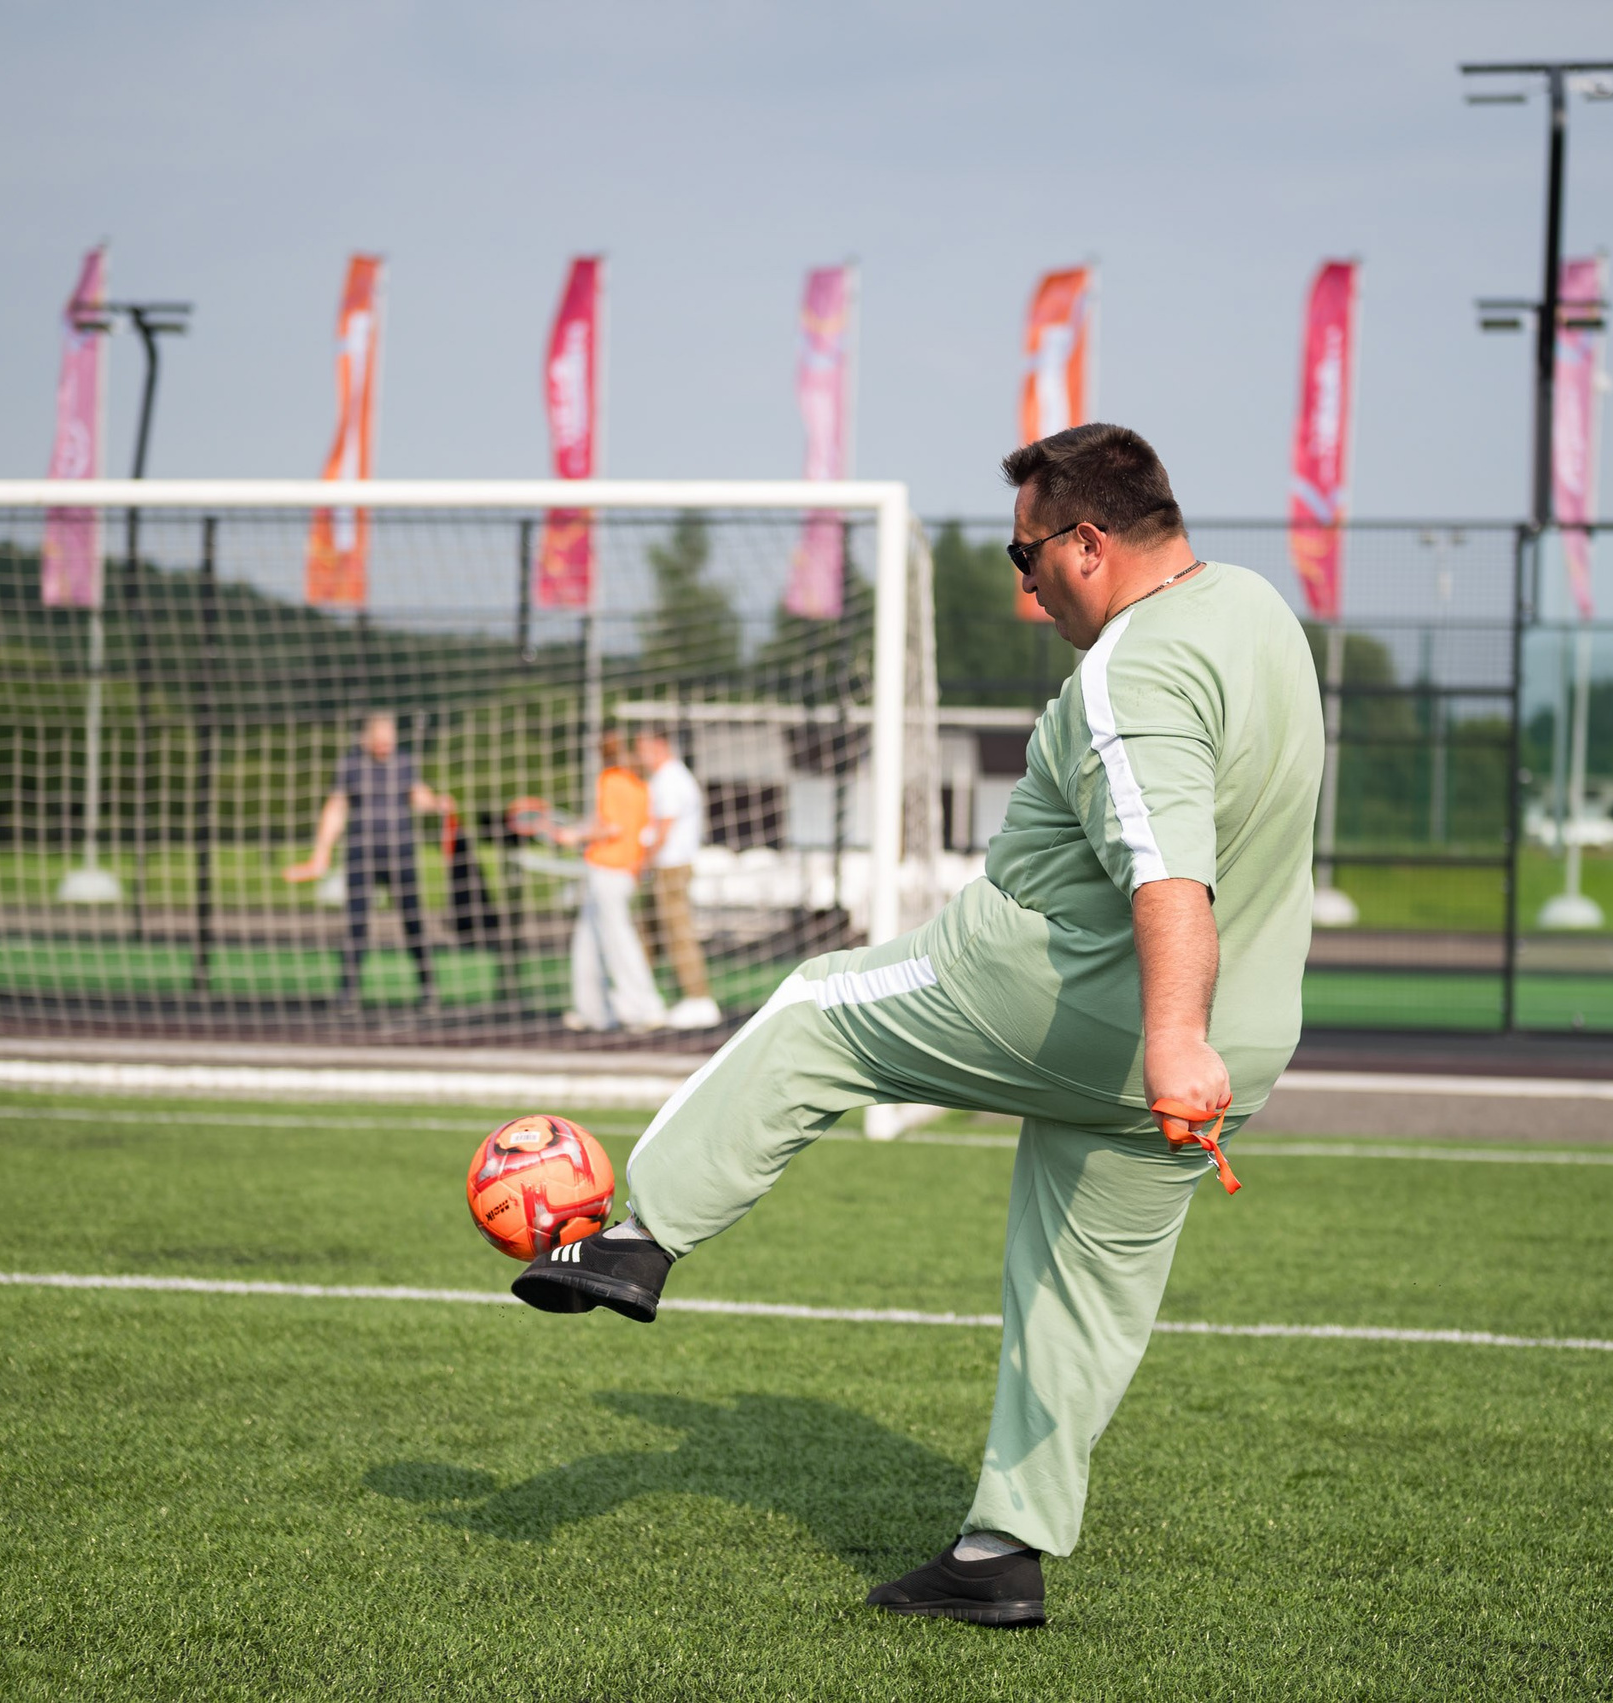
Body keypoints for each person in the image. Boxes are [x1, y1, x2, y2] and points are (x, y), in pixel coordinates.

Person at [513, 425, 1323, 1627]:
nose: (1021, 581)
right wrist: (1190, 1046)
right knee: (1080, 1289)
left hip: (1080, 997)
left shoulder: (1131, 671)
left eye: (1027, 550)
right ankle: (1001, 1552)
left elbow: (1168, 874)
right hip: (1233, 1045)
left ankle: (638, 1237)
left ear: (1090, 542)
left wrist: (1170, 1036)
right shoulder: (1258, 609)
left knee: (811, 1009)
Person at [282, 713, 451, 1013]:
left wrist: (437, 802)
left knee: (414, 923)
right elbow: (335, 808)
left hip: (400, 854)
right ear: (367, 737)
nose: (386, 743)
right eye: (380, 737)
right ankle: (348, 994)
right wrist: (321, 853)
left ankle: (428, 991)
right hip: (362, 855)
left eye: (390, 736)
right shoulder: (351, 765)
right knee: (356, 925)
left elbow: (418, 794)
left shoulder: (403, 762)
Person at [553, 729, 667, 1033]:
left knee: (618, 940)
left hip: (610, 871)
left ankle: (647, 1007)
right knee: (587, 941)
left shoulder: (612, 778)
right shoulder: (641, 785)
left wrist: (575, 835)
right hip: (619, 869)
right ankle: (594, 1012)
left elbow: (611, 827)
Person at [637, 729, 718, 1029]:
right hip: (663, 867)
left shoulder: (671, 779)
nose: (639, 756)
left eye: (643, 748)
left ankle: (698, 999)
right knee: (648, 934)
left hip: (671, 868)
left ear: (659, 745)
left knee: (677, 933)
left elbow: (664, 828)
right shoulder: (664, 779)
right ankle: (638, 996)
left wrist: (641, 862)